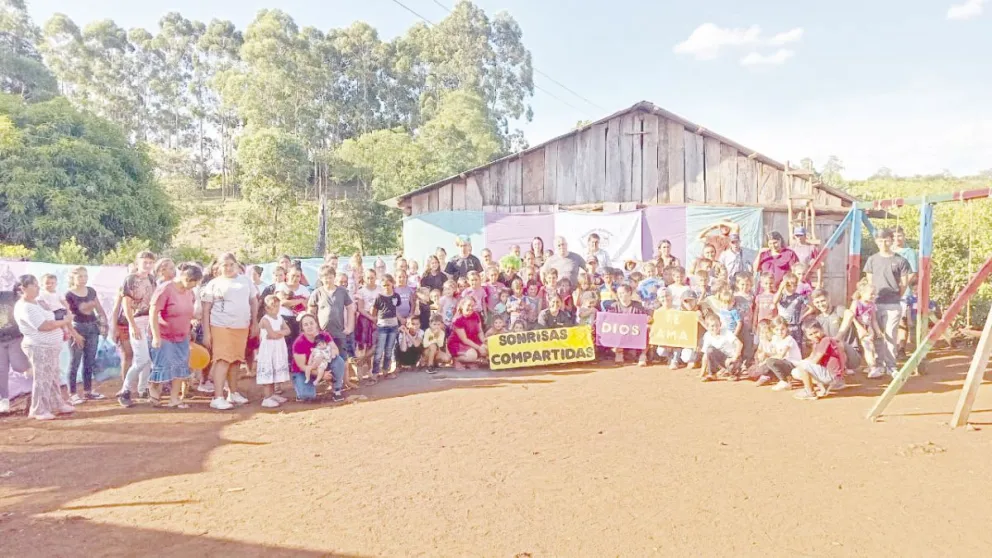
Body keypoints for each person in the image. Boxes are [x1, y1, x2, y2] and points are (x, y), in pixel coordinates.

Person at [201, 253, 259, 410]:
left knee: (235, 360)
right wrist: (206, 332)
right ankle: (217, 396)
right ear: (219, 267)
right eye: (224, 265)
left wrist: (254, 322)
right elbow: (205, 310)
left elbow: (253, 301)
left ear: (236, 265)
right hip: (221, 326)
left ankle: (232, 393)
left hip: (241, 326)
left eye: (230, 264)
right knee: (223, 360)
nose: (228, 268)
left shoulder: (246, 281)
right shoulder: (213, 284)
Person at [13, 275, 75, 420]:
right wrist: (65, 322)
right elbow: (44, 326)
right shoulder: (25, 307)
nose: (38, 287)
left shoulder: (38, 302)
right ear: (23, 288)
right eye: (34, 285)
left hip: (50, 346)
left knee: (53, 376)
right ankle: (38, 410)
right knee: (42, 378)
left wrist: (62, 326)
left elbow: (52, 317)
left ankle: (57, 403)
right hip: (39, 347)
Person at [148, 264, 201, 409]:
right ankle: (153, 387)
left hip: (182, 334)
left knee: (180, 366)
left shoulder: (190, 292)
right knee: (164, 364)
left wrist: (191, 327)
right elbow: (153, 312)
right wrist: (156, 336)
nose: (194, 285)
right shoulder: (166, 289)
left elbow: (189, 312)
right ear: (185, 278)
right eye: (193, 282)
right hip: (164, 334)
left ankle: (174, 398)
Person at [863, 228, 911, 375]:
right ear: (876, 242)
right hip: (876, 304)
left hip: (893, 304)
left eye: (886, 240)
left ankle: (891, 366)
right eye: (880, 240)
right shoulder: (872, 260)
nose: (883, 243)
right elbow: (870, 283)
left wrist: (896, 296)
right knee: (877, 335)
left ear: (892, 240)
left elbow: (904, 284)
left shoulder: (900, 260)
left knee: (890, 334)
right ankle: (879, 365)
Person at [116, 251, 158, 407]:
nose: (147, 265)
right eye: (144, 262)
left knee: (148, 359)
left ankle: (143, 388)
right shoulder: (130, 280)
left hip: (150, 321)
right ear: (138, 263)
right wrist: (132, 325)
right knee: (141, 359)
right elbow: (126, 305)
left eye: (150, 262)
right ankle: (125, 390)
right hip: (137, 320)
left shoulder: (152, 279)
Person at [65, 267, 109, 404]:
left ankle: (87, 391)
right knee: (75, 362)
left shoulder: (91, 291)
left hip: (93, 328)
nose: (83, 279)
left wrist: (104, 323)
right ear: (73, 278)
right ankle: (72, 394)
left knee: (89, 361)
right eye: (80, 276)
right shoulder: (69, 295)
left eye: (85, 276)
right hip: (77, 328)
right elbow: (67, 317)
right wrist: (74, 334)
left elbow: (99, 308)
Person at [291, 314, 346, 402]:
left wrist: (329, 355)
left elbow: (335, 350)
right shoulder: (299, 342)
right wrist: (322, 374)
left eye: (311, 323)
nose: (309, 326)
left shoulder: (324, 335)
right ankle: (301, 389)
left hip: (322, 364)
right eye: (306, 325)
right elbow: (302, 366)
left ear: (316, 324)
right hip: (304, 371)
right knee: (307, 396)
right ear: (302, 328)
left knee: (338, 360)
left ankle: (337, 390)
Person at [308, 267, 356, 359]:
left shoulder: (342, 291)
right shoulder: (317, 293)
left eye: (330, 277)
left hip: (339, 332)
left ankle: (344, 374)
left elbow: (350, 308)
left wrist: (350, 327)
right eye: (325, 277)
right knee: (324, 360)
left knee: (342, 359)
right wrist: (314, 330)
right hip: (323, 333)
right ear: (321, 278)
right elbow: (310, 311)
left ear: (334, 277)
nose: (328, 280)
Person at [792, 321, 847, 400]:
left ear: (822, 330)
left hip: (832, 375)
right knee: (796, 371)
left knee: (802, 366)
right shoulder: (816, 343)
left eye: (816, 332)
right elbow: (811, 358)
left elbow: (815, 360)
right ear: (807, 336)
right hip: (831, 374)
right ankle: (823, 385)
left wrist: (801, 363)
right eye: (810, 334)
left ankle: (809, 392)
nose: (814, 336)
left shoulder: (825, 340)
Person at [257, 295, 291, 408]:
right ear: (266, 308)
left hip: (278, 349)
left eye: (278, 306)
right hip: (268, 350)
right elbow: (271, 335)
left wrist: (279, 333)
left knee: (275, 370)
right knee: (268, 370)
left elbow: (288, 330)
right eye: (273, 306)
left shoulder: (280, 318)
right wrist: (280, 333)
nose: (276, 308)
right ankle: (266, 398)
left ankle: (272, 395)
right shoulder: (265, 320)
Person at [0, 287, 31, 414]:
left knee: (20, 366)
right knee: (1, 370)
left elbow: (26, 305)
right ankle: (4, 401)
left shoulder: (9, 296)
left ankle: (41, 390)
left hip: (15, 338)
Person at [607, 284, 648, 366]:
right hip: (620, 333)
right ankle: (619, 353)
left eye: (623, 293)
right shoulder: (614, 306)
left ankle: (643, 355)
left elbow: (644, 319)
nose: (620, 295)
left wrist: (648, 319)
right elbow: (608, 322)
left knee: (647, 329)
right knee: (615, 328)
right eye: (619, 293)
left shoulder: (638, 306)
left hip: (635, 332)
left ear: (629, 293)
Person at [371, 274, 402, 381]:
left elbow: (396, 308)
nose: (386, 287)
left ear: (392, 284)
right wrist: (376, 322)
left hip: (393, 326)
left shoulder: (396, 296)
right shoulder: (379, 297)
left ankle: (385, 371)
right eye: (384, 285)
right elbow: (374, 311)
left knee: (389, 349)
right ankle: (375, 373)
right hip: (382, 326)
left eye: (388, 285)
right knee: (379, 350)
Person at [699, 313, 743, 382]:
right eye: (712, 326)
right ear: (707, 326)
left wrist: (734, 357)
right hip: (721, 360)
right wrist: (702, 372)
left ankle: (732, 374)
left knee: (732, 367)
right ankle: (712, 374)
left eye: (717, 325)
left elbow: (739, 344)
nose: (715, 328)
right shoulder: (707, 335)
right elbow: (705, 355)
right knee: (710, 350)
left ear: (720, 324)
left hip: (732, 359)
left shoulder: (726, 332)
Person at [448, 298, 488, 370]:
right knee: (472, 356)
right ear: (462, 306)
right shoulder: (458, 319)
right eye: (469, 305)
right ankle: (456, 359)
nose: (471, 308)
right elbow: (464, 340)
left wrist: (484, 341)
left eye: (473, 306)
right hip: (457, 343)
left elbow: (480, 331)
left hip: (472, 341)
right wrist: (479, 348)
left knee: (486, 349)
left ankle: (468, 362)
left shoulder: (476, 315)